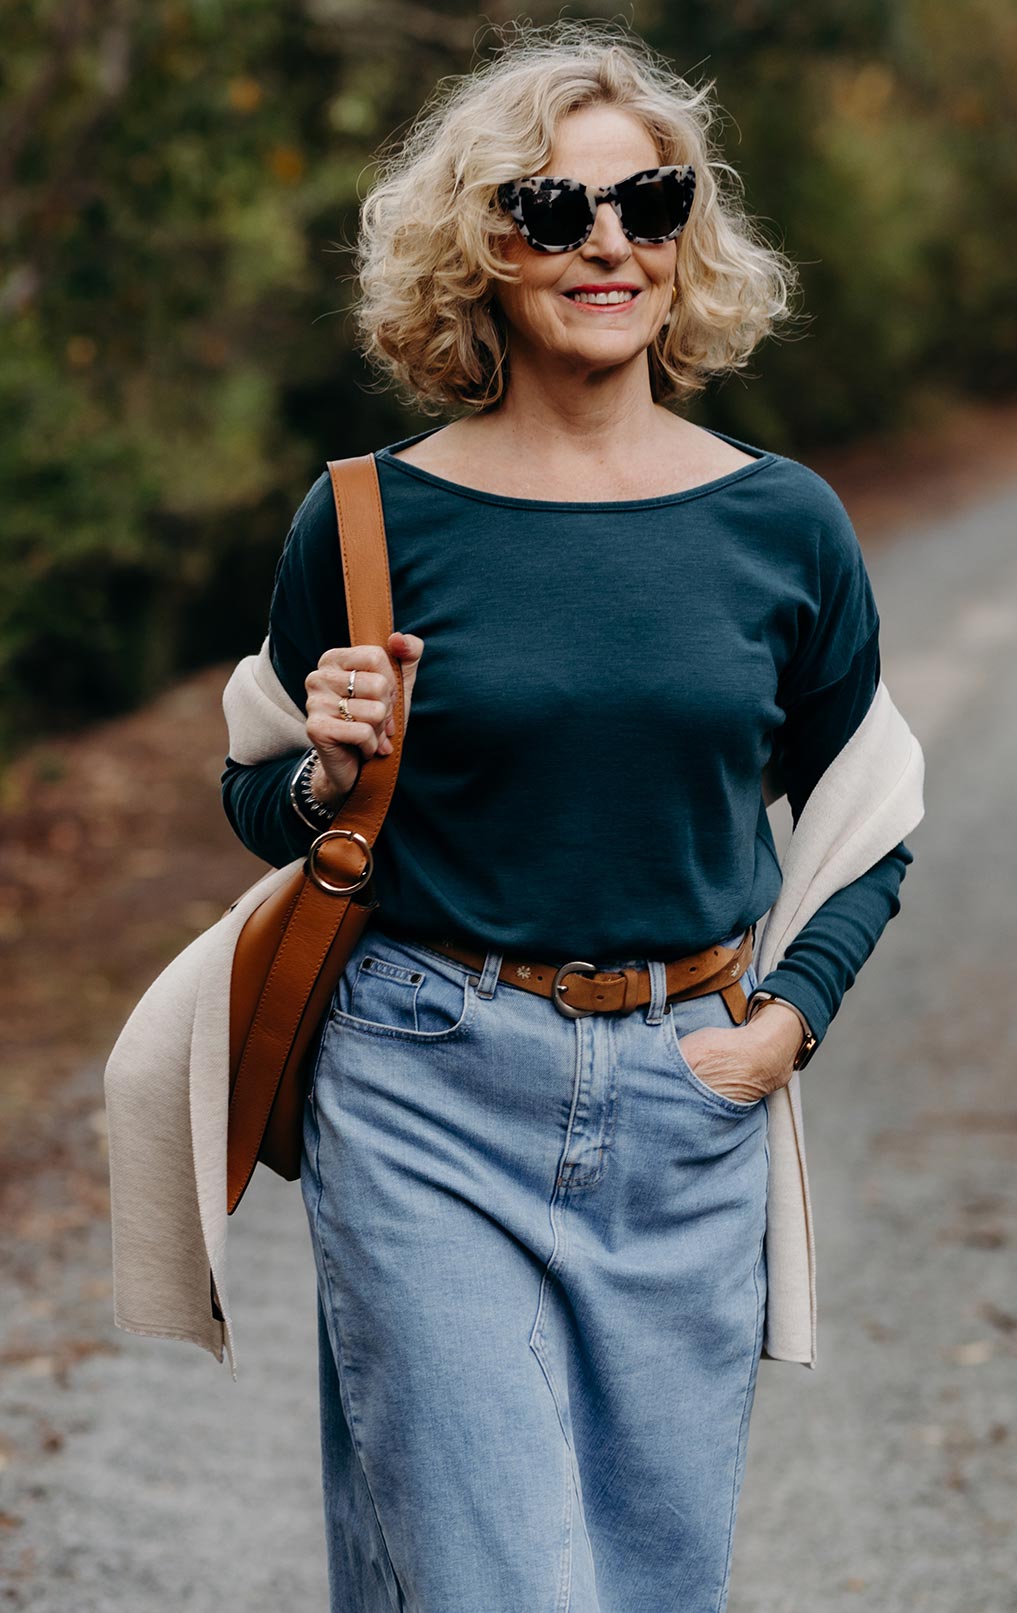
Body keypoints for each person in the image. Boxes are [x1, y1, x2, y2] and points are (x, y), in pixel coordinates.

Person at [220, 21, 914, 1613]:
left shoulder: (781, 525)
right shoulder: (364, 519)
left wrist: (786, 1022)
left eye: (646, 203)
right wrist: (320, 774)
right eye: (553, 210)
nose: (607, 243)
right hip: (424, 1083)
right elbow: (262, 800)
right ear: (481, 250)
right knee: (495, 1584)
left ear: (686, 234)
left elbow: (868, 820)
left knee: (647, 1586)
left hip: (688, 1105)